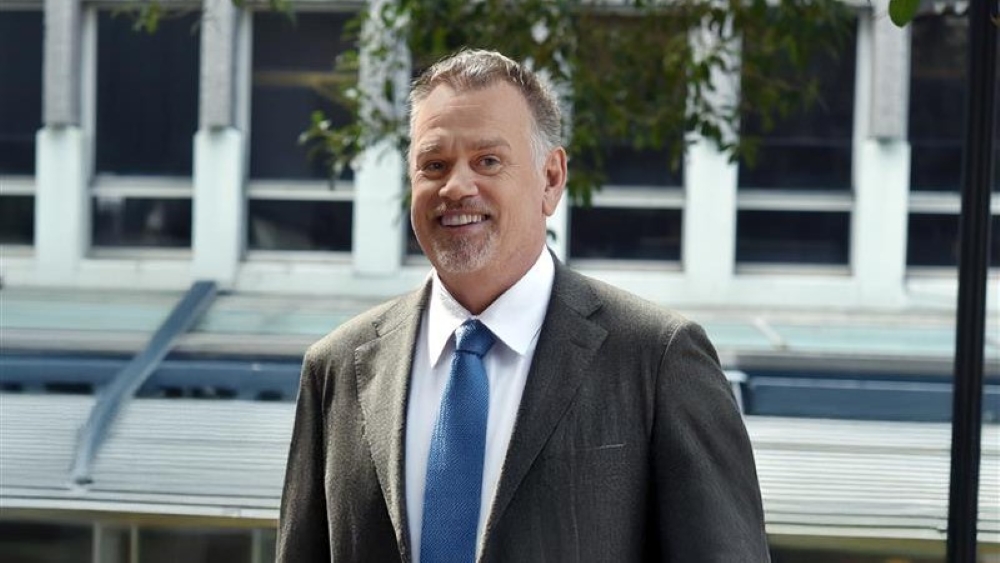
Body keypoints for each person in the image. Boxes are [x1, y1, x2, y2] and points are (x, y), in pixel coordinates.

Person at [277, 48, 770, 562]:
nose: (456, 186)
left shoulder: (658, 359)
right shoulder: (336, 368)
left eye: (488, 161)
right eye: (434, 165)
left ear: (551, 179)